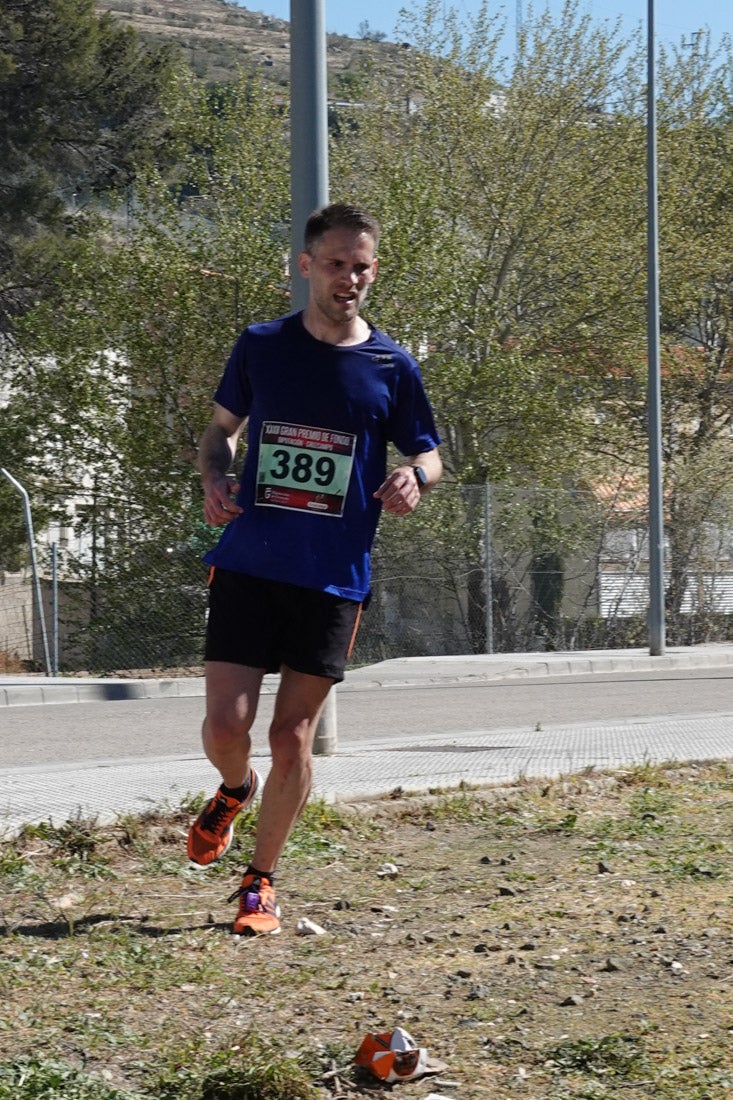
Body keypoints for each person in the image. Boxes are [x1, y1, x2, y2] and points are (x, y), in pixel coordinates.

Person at [187, 202, 442, 935]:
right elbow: (219, 433)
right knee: (225, 724)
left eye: (361, 266)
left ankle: (259, 883)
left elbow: (428, 453)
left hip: (332, 577)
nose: (349, 278)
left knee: (291, 734)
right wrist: (214, 477)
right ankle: (233, 792)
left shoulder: (390, 365)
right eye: (335, 264)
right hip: (250, 561)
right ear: (305, 266)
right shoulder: (262, 346)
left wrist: (412, 479)